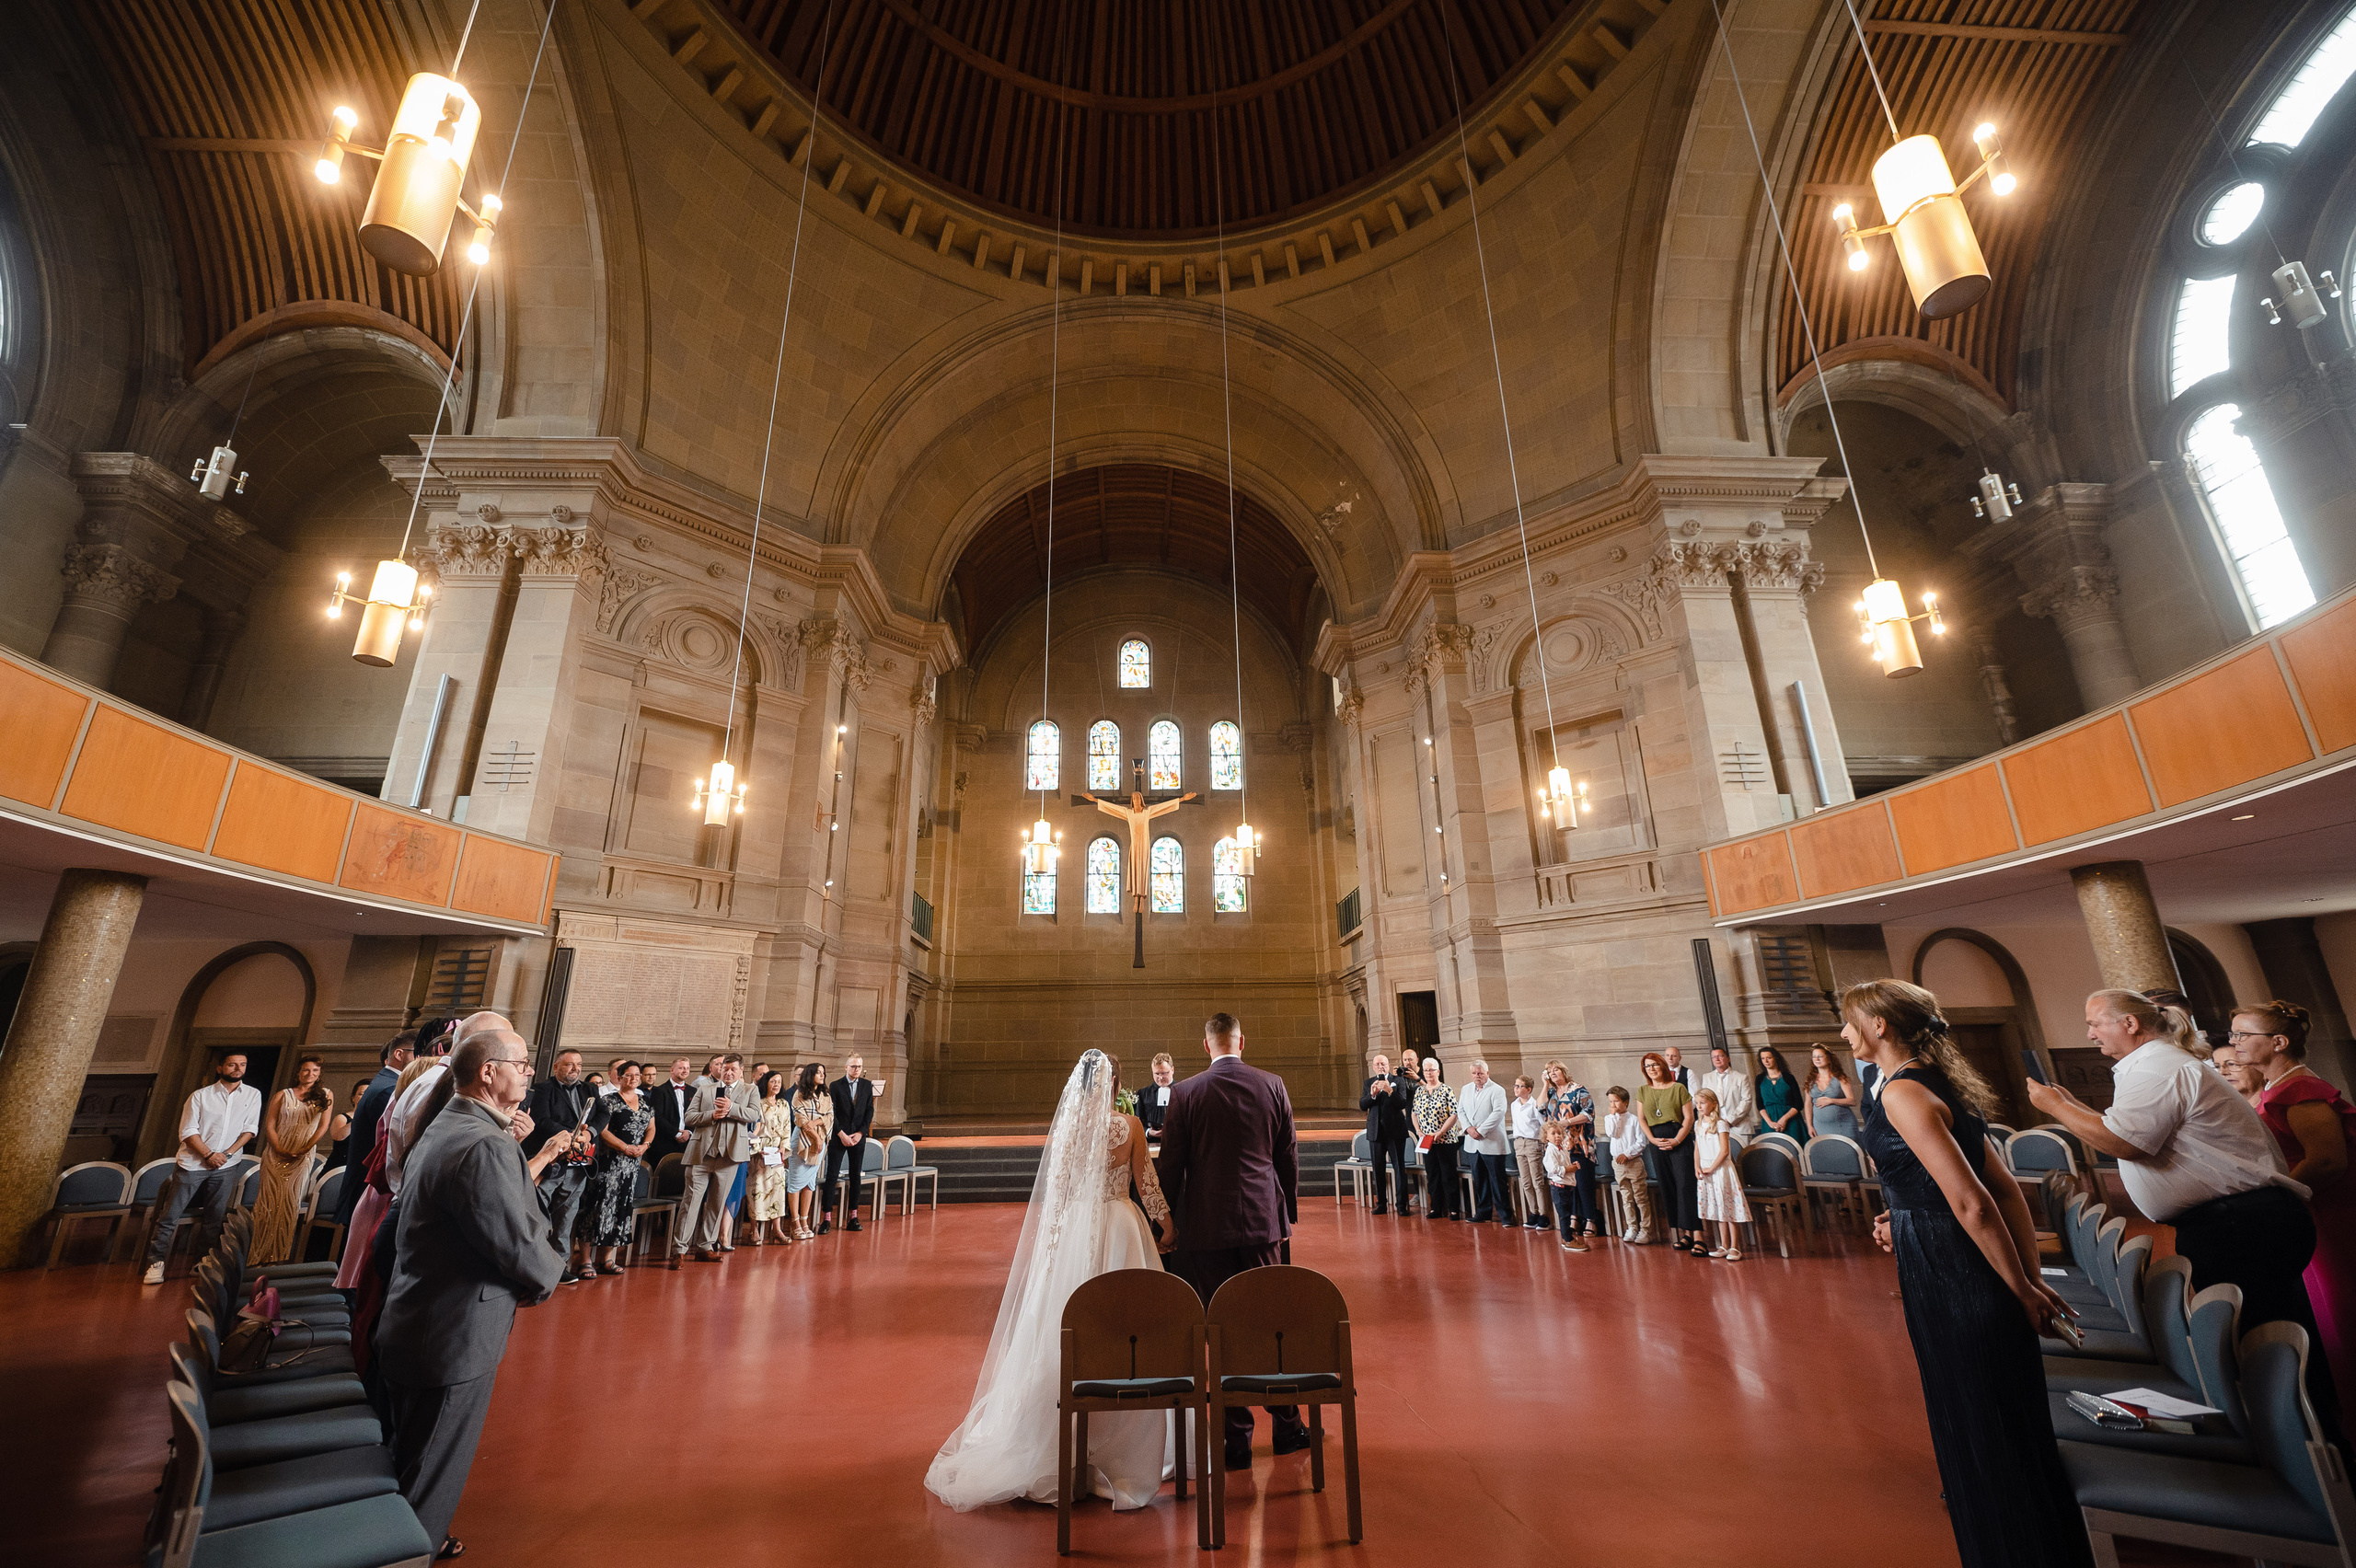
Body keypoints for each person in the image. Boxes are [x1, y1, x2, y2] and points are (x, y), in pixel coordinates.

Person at [1846, 978, 2089, 1568]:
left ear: (1881, 1025)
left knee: (1981, 1414)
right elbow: (2000, 1190)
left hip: (1952, 1268)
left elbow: (1976, 1202)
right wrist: (2026, 1280)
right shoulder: (1936, 1081)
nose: (1844, 1033)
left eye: (1850, 1021)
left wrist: (2023, 1287)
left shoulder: (1903, 1093)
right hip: (1940, 1248)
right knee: (1992, 1407)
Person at [2027, 989, 2328, 1435]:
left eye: (2096, 1023)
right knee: (2262, 1337)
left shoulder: (2156, 1066)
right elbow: (2125, 1131)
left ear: (2130, 1024)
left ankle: (2311, 1450)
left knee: (2269, 1342)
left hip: (2240, 1222)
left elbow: (2124, 1143)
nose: (2089, 1033)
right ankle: (2298, 1439)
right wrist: (2070, 1106)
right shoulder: (2151, 1065)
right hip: (2235, 1220)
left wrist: (2055, 1107)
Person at [925, 1050, 1178, 1511]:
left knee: (1068, 1329)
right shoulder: (1130, 1127)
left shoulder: (1066, 1132)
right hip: (1122, 1226)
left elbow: (1056, 1198)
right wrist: (1167, 1227)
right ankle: (1125, 1445)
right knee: (1129, 1331)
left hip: (1075, 1232)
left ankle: (1058, 1443)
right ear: (1117, 1083)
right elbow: (1148, 1185)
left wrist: (1056, 1250)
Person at [378, 1029, 566, 1562]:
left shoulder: (448, 1123)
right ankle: (407, 1552)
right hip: (452, 1329)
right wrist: (548, 1275)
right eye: (523, 1064)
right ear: (489, 1072)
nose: (530, 1073)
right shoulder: (484, 1142)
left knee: (413, 1452)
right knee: (431, 1472)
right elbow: (514, 1238)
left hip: (419, 1316)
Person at [1153, 1013, 1300, 1470]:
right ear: (1242, 1041)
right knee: (1268, 1321)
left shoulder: (1186, 1092)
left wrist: (1168, 1223)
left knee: (1217, 1325)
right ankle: (1287, 1424)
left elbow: (1172, 1163)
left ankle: (1235, 1437)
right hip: (1261, 1220)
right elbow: (1286, 1153)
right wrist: (1286, 1211)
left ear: (1205, 1046)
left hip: (1206, 1225)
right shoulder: (1272, 1084)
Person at [2237, 998, 2356, 1432]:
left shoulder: (2299, 1090)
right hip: (2310, 1213)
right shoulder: (2276, 1086)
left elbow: (2327, 1162)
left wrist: (2274, 1195)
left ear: (2279, 1042)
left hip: (2334, 1216)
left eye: (2242, 1035)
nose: (2234, 1044)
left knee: (2345, 1315)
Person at [141, 1051, 261, 1285]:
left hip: (227, 1164)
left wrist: (225, 1154)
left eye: (242, 1065)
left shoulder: (253, 1095)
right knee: (170, 1216)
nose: (238, 1068)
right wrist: (208, 1154)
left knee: (215, 1217)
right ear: (220, 1068)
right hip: (192, 1164)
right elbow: (187, 1131)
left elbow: (250, 1129)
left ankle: (201, 1262)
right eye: (232, 1064)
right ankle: (156, 1263)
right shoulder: (200, 1096)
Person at [250, 1055, 337, 1265]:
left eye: (315, 1071)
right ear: (298, 1073)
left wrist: (305, 1148)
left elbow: (323, 1127)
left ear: (319, 1075)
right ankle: (256, 1255)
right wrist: (278, 1148)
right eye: (306, 1070)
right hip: (275, 1154)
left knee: (289, 1204)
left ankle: (279, 1256)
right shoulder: (283, 1095)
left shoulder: (325, 1095)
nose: (310, 1074)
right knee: (268, 1203)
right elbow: (269, 1125)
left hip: (302, 1156)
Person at [674, 1054, 758, 1264]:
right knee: (690, 1203)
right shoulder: (705, 1089)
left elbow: (754, 1115)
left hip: (730, 1155)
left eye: (733, 1069)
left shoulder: (750, 1090)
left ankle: (705, 1246)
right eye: (725, 1068)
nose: (728, 1073)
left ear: (741, 1071)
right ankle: (679, 1250)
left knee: (717, 1203)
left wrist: (731, 1109)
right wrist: (711, 1114)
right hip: (701, 1154)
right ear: (719, 1070)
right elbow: (689, 1117)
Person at [337, 1032, 415, 1234]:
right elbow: (391, 1140)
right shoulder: (388, 1089)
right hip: (369, 1186)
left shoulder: (385, 1082)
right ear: (399, 1054)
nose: (422, 1060)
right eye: (418, 1053)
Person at [584, 1061, 652, 1275]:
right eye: (629, 1075)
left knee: (620, 1209)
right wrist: (625, 1147)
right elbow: (601, 1130)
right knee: (598, 1206)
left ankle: (607, 1259)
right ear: (620, 1078)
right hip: (609, 1162)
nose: (634, 1079)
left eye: (637, 1075)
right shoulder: (608, 1101)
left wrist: (645, 1146)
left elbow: (651, 1127)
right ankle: (586, 1260)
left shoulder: (645, 1102)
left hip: (631, 1165)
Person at [1638, 1053, 1698, 1252]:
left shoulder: (1678, 1087)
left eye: (1655, 1065)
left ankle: (1698, 1236)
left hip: (1678, 1137)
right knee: (1668, 1186)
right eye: (1647, 1066)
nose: (1652, 1069)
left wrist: (1678, 1140)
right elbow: (1642, 1120)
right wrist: (1652, 1140)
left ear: (1663, 1066)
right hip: (1656, 1140)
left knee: (1685, 1185)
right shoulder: (1643, 1091)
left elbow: (1689, 1118)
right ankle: (1683, 1235)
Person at [1692, 1088, 1750, 1261]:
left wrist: (1712, 1167)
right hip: (1705, 1169)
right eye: (1697, 1103)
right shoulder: (1698, 1123)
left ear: (1713, 1103)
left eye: (1703, 1103)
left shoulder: (1721, 1123)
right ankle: (1723, 1245)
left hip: (1721, 1170)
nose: (1699, 1107)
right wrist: (1697, 1166)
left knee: (1728, 1207)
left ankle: (1735, 1246)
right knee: (1717, 1208)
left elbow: (1724, 1150)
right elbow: (1697, 1148)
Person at [822, 1055, 877, 1233]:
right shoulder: (836, 1086)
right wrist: (841, 1133)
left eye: (859, 1067)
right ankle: (827, 1218)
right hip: (839, 1136)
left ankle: (853, 1216)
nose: (857, 1070)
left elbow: (869, 1110)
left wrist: (861, 1133)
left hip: (858, 1137)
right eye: (853, 1066)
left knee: (856, 1176)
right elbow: (832, 1113)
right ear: (846, 1067)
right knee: (832, 1176)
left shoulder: (867, 1085)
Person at [1456, 1059, 1510, 1225]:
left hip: (1492, 1141)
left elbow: (1499, 1112)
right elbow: (1461, 1111)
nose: (1477, 1076)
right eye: (1474, 1073)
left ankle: (1505, 1216)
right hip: (1473, 1143)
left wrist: (1480, 1130)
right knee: (1479, 1180)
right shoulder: (1466, 1089)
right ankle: (1483, 1212)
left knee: (1497, 1181)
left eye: (1480, 1073)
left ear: (1487, 1073)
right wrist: (1468, 1129)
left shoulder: (1497, 1090)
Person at [1358, 1053, 1412, 1216]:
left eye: (1383, 1064)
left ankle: (1402, 1205)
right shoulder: (1369, 1083)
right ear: (1373, 1067)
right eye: (1377, 1064)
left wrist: (1390, 1091)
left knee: (1399, 1168)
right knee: (1378, 1169)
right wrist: (1372, 1095)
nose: (1381, 1067)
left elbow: (1402, 1103)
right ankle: (1381, 1203)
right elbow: (1362, 1105)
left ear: (1388, 1065)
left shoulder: (1398, 1081)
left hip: (1395, 1131)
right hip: (1376, 1132)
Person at [1411, 1057, 1461, 1221]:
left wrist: (1441, 1131)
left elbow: (1454, 1114)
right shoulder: (1420, 1091)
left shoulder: (1446, 1090)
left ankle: (1453, 1209)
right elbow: (1414, 1113)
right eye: (1426, 1071)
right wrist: (1418, 1130)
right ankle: (1436, 1208)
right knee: (1432, 1174)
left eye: (1431, 1070)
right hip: (1426, 1140)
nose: (1428, 1073)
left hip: (1445, 1139)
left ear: (1438, 1071)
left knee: (1448, 1174)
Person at [787, 1064, 833, 1241]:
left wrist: (817, 1123)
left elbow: (830, 1116)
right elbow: (801, 1119)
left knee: (809, 1183)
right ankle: (795, 1221)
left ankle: (805, 1221)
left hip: (819, 1141)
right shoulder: (799, 1094)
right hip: (802, 1141)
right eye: (818, 1072)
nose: (822, 1075)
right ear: (810, 1075)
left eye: (823, 1072)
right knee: (796, 1181)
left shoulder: (825, 1095)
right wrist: (816, 1135)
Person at [748, 1070, 795, 1244]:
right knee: (757, 1191)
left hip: (777, 1154)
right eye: (773, 1081)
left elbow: (787, 1128)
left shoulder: (783, 1104)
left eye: (779, 1082)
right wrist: (758, 1149)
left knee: (777, 1191)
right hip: (760, 1153)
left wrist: (783, 1147)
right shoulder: (758, 1103)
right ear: (766, 1083)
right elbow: (752, 1129)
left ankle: (777, 1229)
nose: (776, 1085)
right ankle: (754, 1230)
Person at [1602, 1088, 1654, 1242]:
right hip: (1618, 1163)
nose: (1613, 1104)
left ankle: (1646, 1229)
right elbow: (1612, 1133)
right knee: (1626, 1197)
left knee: (1640, 1197)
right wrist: (1613, 1116)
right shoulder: (1608, 1118)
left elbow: (1641, 1142)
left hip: (1633, 1162)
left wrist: (1628, 1154)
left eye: (1616, 1101)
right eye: (1610, 1101)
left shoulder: (1635, 1119)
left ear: (1626, 1102)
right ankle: (1632, 1227)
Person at [1508, 1075, 1552, 1230]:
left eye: (1520, 1086)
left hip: (1533, 1143)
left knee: (1537, 1181)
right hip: (1519, 1143)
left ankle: (1543, 1214)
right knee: (1526, 1182)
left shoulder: (1534, 1105)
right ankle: (1533, 1212)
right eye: (1515, 1085)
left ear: (1529, 1089)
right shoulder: (1514, 1105)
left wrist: (1543, 1143)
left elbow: (1543, 1125)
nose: (1516, 1088)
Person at [1542, 1123, 1588, 1252]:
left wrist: (1572, 1165)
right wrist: (1569, 1169)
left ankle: (1567, 1236)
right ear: (1546, 1136)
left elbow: (1564, 1164)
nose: (1557, 1136)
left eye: (1559, 1133)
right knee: (1564, 1215)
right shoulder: (1550, 1151)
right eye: (1553, 1134)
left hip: (1567, 1186)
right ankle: (1568, 1240)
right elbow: (1553, 1169)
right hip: (1559, 1188)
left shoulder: (1561, 1148)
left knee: (1567, 1214)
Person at [646, 1057, 696, 1170]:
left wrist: (688, 1132)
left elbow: (696, 1115)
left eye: (687, 1068)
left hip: (688, 1143)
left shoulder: (694, 1091)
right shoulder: (659, 1091)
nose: (685, 1071)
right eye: (682, 1068)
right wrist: (676, 1133)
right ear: (672, 1070)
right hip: (665, 1143)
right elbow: (657, 1117)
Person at [1698, 1045, 1754, 1140]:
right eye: (1714, 1057)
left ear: (1728, 1059)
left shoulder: (1741, 1077)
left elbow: (1747, 1100)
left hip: (1739, 1126)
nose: (1717, 1059)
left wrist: (1730, 1120)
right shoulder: (1707, 1077)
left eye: (1720, 1056)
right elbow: (1704, 1101)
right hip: (1714, 1126)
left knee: (1741, 1155)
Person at [1806, 1044, 1861, 1140]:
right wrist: (1809, 1125)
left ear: (1829, 1059)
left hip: (1843, 1124)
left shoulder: (1841, 1078)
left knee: (1848, 1152)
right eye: (1814, 1056)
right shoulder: (1810, 1080)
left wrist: (1831, 1100)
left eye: (1820, 1056)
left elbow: (1852, 1101)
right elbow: (1808, 1104)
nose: (1817, 1059)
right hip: (1820, 1126)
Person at [1755, 1044, 1807, 1144]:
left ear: (1775, 1058)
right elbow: (1759, 1104)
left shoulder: (1788, 1077)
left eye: (1769, 1058)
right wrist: (1769, 1122)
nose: (1766, 1061)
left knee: (1794, 1149)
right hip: (1769, 1121)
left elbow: (1798, 1103)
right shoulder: (1759, 1079)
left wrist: (1784, 1119)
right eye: (1763, 1058)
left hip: (1791, 1120)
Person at [2213, 1041, 2267, 1111]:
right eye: (2217, 1067)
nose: (2222, 1072)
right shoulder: (2221, 1111)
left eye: (2232, 1064)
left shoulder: (2275, 1108)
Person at [1137, 1053, 1175, 1134]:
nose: (1160, 1078)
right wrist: (1148, 1132)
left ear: (1172, 1070)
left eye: (1164, 1073)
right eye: (1157, 1074)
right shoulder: (1143, 1094)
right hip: (1151, 1142)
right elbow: (1137, 1121)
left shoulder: (1183, 1092)